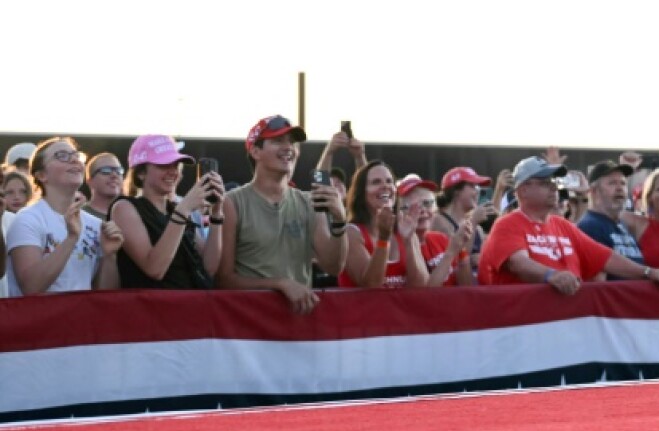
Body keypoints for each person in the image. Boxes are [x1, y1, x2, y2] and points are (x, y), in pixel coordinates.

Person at [478, 154, 659, 293]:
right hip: (523, 328)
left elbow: (605, 257)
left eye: (554, 182)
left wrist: (648, 272)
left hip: (562, 326)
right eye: (544, 182)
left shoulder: (562, 226)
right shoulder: (507, 224)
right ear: (523, 191)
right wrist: (551, 276)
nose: (553, 187)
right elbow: (518, 263)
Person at [216, 116, 347, 314]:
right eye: (278, 141)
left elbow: (333, 267)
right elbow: (224, 279)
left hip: (297, 325)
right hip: (247, 327)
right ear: (255, 151)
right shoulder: (232, 202)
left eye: (292, 142)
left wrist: (339, 221)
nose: (289, 148)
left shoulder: (309, 202)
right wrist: (281, 284)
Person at [5, 137, 125, 295]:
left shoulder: (95, 224)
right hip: (41, 319)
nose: (74, 161)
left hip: (81, 318)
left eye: (77, 156)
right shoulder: (27, 219)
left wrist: (109, 256)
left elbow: (104, 296)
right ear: (41, 175)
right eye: (62, 156)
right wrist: (71, 238)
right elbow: (31, 287)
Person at [109, 135, 224, 289]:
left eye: (176, 165)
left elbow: (209, 268)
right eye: (163, 165)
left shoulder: (177, 210)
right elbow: (154, 269)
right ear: (141, 173)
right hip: (153, 308)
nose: (172, 172)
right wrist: (183, 209)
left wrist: (217, 214)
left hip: (190, 306)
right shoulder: (124, 208)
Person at [337, 160, 427, 289]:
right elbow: (371, 285)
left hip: (400, 309)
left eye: (389, 181)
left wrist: (408, 241)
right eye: (376, 182)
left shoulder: (406, 229)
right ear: (362, 193)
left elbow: (421, 286)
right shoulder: (351, 233)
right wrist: (383, 240)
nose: (385, 186)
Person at [399, 174, 474, 287]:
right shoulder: (398, 247)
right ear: (399, 212)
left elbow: (466, 285)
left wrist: (461, 249)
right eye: (412, 207)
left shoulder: (440, 239)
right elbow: (426, 294)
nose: (422, 210)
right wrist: (451, 252)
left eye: (427, 203)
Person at [577, 161, 645, 269]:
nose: (619, 188)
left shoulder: (622, 225)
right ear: (594, 191)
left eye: (623, 183)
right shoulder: (590, 227)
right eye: (612, 183)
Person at [431, 166, 496, 274]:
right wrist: (473, 222)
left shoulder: (478, 228)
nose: (477, 191)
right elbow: (452, 262)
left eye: (478, 187)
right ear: (456, 190)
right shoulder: (438, 221)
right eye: (472, 186)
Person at [82, 153, 126, 220]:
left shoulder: (132, 216)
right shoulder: (79, 215)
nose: (114, 175)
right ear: (90, 181)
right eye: (106, 170)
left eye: (118, 171)